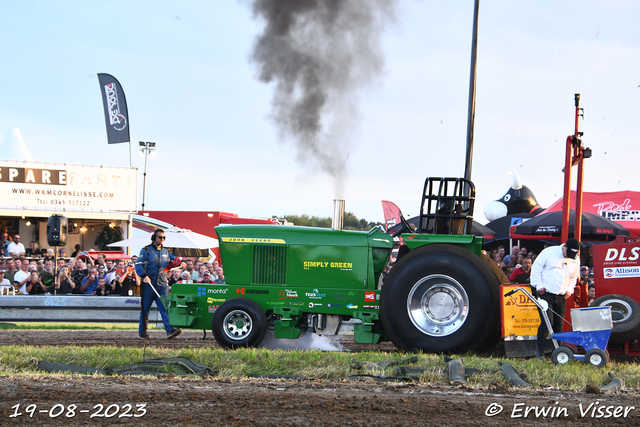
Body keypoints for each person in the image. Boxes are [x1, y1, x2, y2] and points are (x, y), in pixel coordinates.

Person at [530, 238, 581, 360]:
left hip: (561, 295)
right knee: (547, 322)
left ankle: (557, 350)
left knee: (559, 324)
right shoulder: (549, 252)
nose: (569, 257)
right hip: (545, 293)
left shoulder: (575, 260)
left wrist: (570, 290)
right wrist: (538, 285)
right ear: (564, 247)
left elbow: (574, 277)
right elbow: (536, 268)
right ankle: (540, 350)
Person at [136, 229, 183, 340]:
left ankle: (170, 330)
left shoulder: (167, 251)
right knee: (145, 309)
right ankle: (142, 332)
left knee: (165, 307)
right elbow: (138, 264)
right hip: (149, 285)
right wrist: (143, 276)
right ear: (154, 238)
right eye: (160, 237)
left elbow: (174, 261)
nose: (162, 240)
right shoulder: (146, 250)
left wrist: (183, 263)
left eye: (163, 238)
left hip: (162, 285)